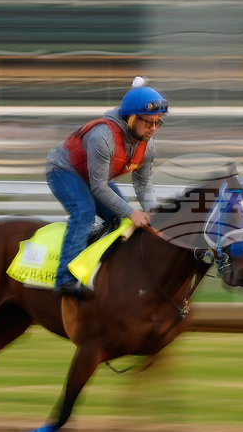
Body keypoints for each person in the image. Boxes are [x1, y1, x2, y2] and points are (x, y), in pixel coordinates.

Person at [44, 76, 168, 299]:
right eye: (148, 122)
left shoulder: (149, 147)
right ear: (130, 119)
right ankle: (64, 279)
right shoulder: (103, 137)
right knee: (84, 211)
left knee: (116, 219)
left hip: (95, 176)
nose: (153, 128)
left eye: (157, 122)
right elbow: (99, 187)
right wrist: (132, 211)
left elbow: (142, 183)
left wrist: (154, 210)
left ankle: (95, 264)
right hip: (64, 170)